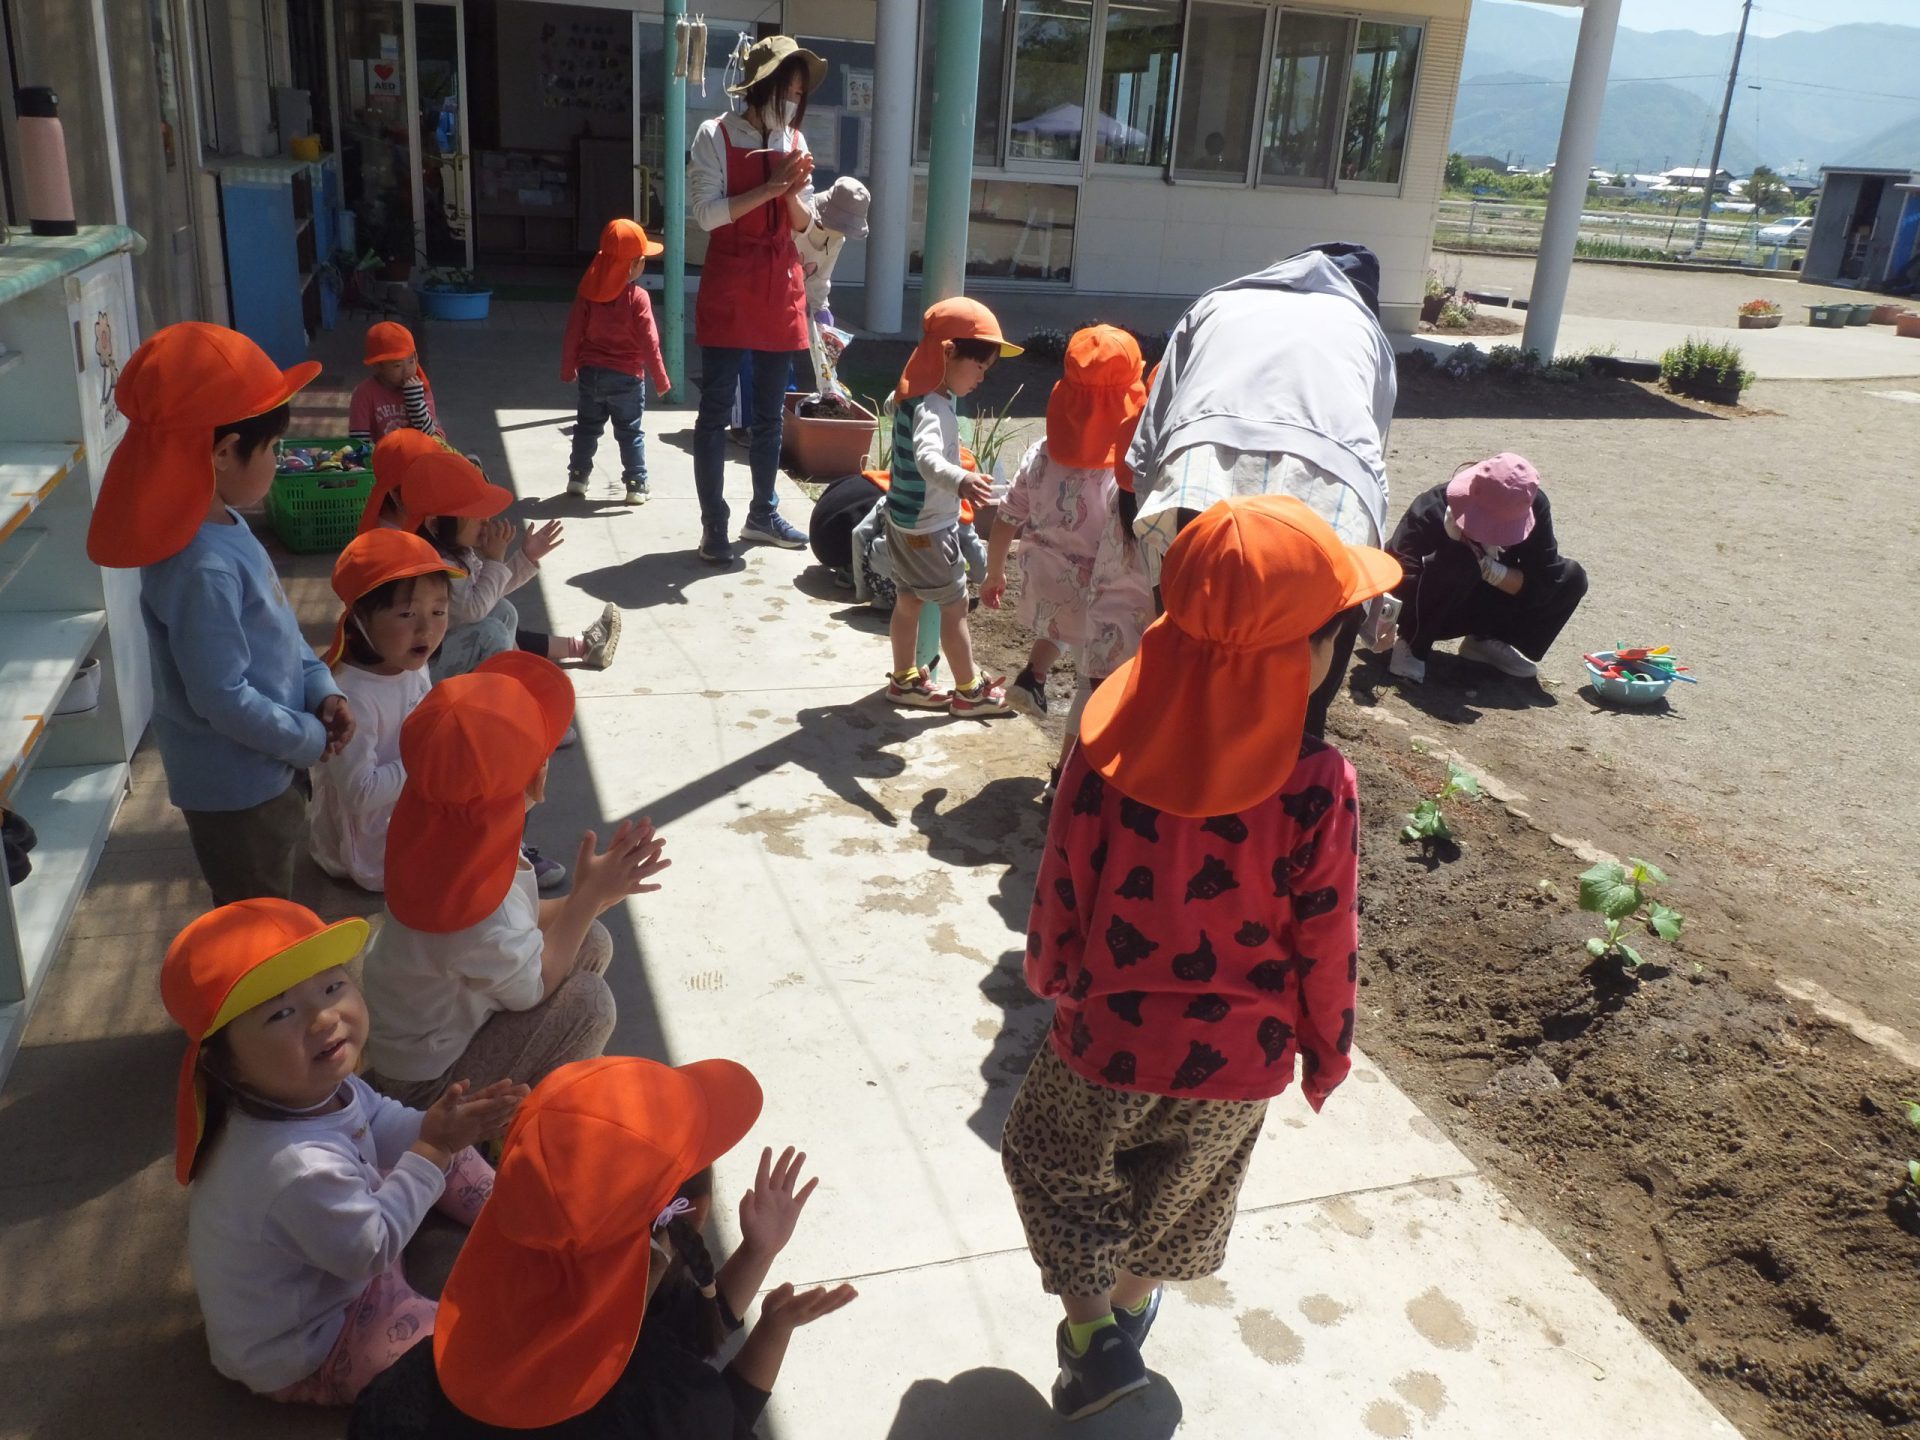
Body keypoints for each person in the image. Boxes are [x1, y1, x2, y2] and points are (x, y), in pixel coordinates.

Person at [1000, 495, 1401, 1419]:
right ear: (1304, 658)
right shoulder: (1320, 783)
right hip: (1240, 1060)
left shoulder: (1107, 738)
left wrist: (1051, 971)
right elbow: (1327, 935)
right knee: (1180, 1196)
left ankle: (1095, 1337)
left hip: (1108, 1039)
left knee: (1054, 1161)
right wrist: (1327, 1049)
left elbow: (1065, 874)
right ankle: (1127, 1313)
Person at [349, 1056, 859, 1438]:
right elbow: (716, 1414)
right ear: (696, 1214)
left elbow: (664, 1334)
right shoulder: (675, 1405)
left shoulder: (406, 1388)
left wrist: (757, 1252)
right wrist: (772, 1332)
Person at [161, 898, 524, 1405]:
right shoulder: (292, 1168)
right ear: (226, 1065)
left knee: (445, 1138)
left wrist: (437, 1132)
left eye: (332, 987)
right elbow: (370, 1251)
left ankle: (520, 1213)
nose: (323, 1018)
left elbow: (380, 1120)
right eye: (281, 1013)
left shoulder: (316, 1088)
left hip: (341, 1253)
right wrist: (433, 1148)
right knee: (462, 1356)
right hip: (314, 1337)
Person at [85, 322, 355, 905]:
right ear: (225, 452)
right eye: (275, 448)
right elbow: (221, 697)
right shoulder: (200, 567)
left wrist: (320, 688)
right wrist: (307, 738)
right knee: (259, 918)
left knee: (276, 895)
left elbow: (277, 629)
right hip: (238, 791)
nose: (280, 460)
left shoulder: (225, 526)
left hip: (270, 762)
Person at [359, 654, 670, 1108]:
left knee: (592, 938)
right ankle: (515, 1126)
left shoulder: (440, 831)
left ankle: (546, 1073)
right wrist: (588, 898)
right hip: (428, 1089)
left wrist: (597, 892)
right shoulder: (475, 913)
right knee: (589, 1004)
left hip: (432, 1030)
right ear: (540, 780)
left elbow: (519, 922)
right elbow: (532, 986)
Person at [1125, 243, 1396, 738]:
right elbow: (1372, 446)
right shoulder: (1364, 330)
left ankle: (1177, 762)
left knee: (1192, 655)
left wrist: (1150, 526)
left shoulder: (1220, 302)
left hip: (1200, 470)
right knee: (1303, 680)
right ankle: (1295, 765)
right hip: (1329, 489)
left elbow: (1151, 431)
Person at [688, 36, 826, 562]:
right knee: (715, 412)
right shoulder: (715, 134)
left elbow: (805, 224)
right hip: (729, 283)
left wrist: (788, 193)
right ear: (761, 87)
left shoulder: (796, 140)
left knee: (770, 414)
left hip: (779, 284)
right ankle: (714, 525)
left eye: (799, 93)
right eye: (787, 91)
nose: (793, 101)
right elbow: (707, 215)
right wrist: (769, 188)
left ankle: (762, 513)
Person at [983, 326, 1146, 725]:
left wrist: (994, 572)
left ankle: (1033, 675)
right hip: (1098, 593)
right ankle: (1072, 761)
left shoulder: (1041, 454)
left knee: (1060, 624)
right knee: (1092, 685)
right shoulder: (1122, 473)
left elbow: (1006, 517)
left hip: (1045, 579)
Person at [882, 298, 1020, 717]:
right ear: (948, 352)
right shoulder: (933, 407)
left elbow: (892, 409)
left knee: (908, 600)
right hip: (929, 529)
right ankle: (969, 691)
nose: (981, 377)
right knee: (955, 606)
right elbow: (927, 459)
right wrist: (961, 480)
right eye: (978, 366)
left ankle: (904, 679)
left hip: (902, 524)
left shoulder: (909, 393)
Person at [309, 530, 462, 893]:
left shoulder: (410, 663)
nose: (426, 628)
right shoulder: (351, 695)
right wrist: (429, 759)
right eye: (407, 613)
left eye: (439, 611)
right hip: (366, 846)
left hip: (406, 801)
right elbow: (360, 793)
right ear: (361, 617)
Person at [398, 445, 620, 682]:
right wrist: (494, 560)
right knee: (489, 634)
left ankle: (513, 676)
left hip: (444, 651)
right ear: (435, 524)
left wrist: (525, 557)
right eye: (473, 515)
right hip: (422, 672)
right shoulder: (437, 563)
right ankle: (505, 686)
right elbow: (474, 609)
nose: (485, 521)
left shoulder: (456, 551)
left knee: (503, 610)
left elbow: (490, 594)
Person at [1384, 452, 1589, 684]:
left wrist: (1488, 568)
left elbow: (1546, 580)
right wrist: (1454, 552)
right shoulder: (1432, 509)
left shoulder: (1531, 505)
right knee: (1459, 563)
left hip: (1481, 603)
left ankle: (1485, 640)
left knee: (1572, 577)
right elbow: (1399, 580)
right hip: (1425, 611)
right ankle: (1412, 646)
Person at [562, 219, 672, 506]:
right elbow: (650, 342)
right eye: (643, 260)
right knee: (630, 432)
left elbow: (573, 332)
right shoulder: (638, 298)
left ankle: (578, 477)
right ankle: (636, 485)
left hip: (591, 375)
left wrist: (568, 368)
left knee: (586, 428)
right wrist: (661, 380)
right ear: (633, 266)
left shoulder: (586, 295)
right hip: (627, 378)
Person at [351, 322, 442, 445]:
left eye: (411, 361)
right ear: (377, 366)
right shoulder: (363, 393)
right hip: (386, 452)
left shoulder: (420, 387)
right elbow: (358, 442)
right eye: (397, 365)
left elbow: (429, 435)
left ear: (416, 357)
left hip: (423, 448)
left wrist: (414, 401)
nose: (407, 370)